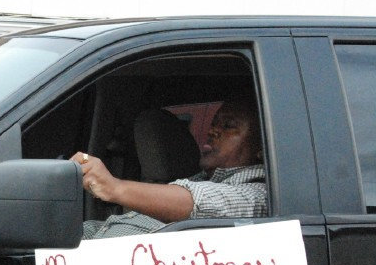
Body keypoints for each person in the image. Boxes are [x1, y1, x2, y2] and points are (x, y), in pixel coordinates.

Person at [71, 97, 266, 239]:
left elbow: (203, 200)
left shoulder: (262, 195)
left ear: (261, 147)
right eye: (214, 124)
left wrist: (114, 188)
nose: (212, 131)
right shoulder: (194, 182)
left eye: (228, 125)